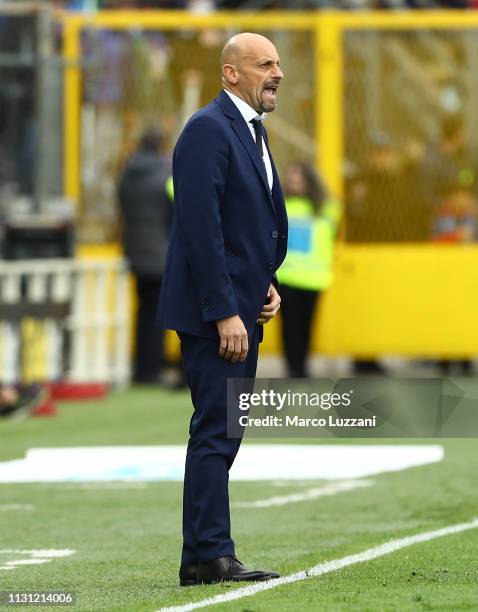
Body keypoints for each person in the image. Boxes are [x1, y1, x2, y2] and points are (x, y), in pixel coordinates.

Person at [157, 33, 288, 585]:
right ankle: (208, 555)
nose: (277, 72)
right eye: (265, 64)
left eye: (279, 63)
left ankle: (205, 553)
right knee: (216, 431)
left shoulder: (249, 131)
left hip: (241, 304)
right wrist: (223, 311)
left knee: (223, 431)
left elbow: (245, 222)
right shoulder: (208, 130)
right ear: (231, 73)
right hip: (220, 318)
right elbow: (200, 229)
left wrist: (266, 282)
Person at [118, 128, 172, 384]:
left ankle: (141, 367)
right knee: (158, 313)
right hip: (161, 253)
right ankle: (152, 369)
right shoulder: (166, 176)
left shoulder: (126, 174)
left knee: (143, 310)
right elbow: (175, 212)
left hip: (135, 252)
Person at [277, 162, 340, 378]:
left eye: (299, 179)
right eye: (291, 178)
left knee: (306, 328)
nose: (294, 183)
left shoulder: (326, 208)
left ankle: (301, 367)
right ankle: (294, 369)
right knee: (289, 329)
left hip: (314, 279)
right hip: (287, 278)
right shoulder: (280, 204)